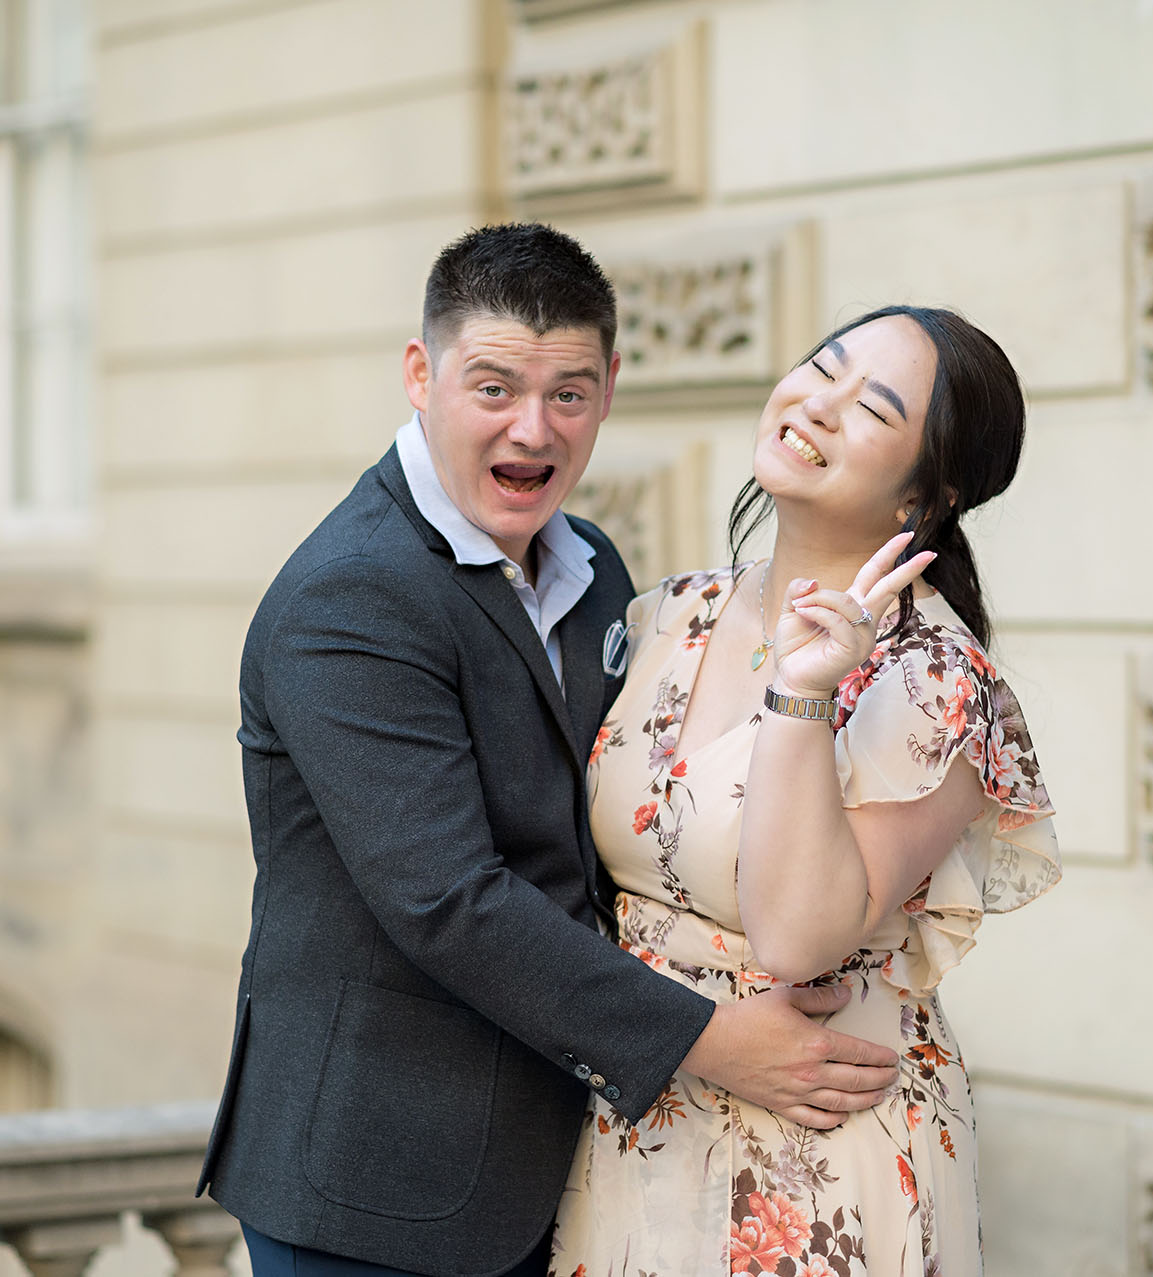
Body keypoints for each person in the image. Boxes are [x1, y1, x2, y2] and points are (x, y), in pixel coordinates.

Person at [193, 224, 903, 1277]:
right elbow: (450, 900)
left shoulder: (593, 564)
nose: (533, 428)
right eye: (493, 388)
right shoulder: (350, 596)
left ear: (610, 386)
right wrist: (716, 1039)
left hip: (554, 1165)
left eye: (568, 392)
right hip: (374, 1184)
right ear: (420, 375)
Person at [548, 305, 1063, 1275]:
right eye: (818, 368)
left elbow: (794, 935)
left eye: (868, 406)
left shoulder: (938, 681)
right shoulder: (673, 610)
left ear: (926, 494)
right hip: (633, 1117)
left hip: (813, 1154)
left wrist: (803, 691)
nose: (815, 405)